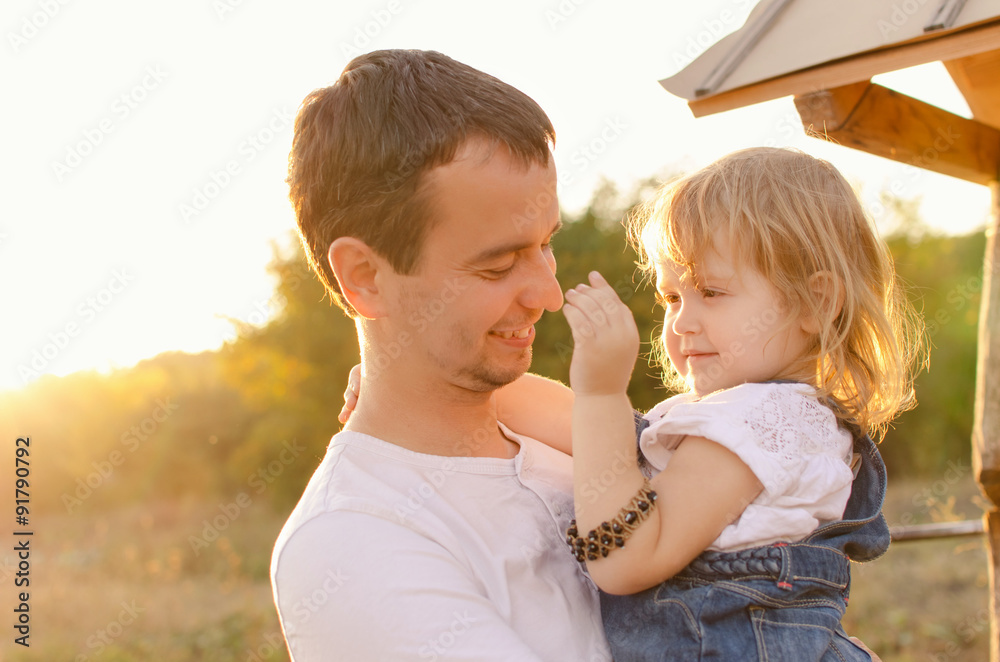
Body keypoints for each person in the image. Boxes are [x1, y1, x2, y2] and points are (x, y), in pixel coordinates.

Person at [495, 147, 924, 660]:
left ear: (816, 303)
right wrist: (447, 386)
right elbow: (592, 435)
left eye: (712, 293)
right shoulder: (742, 416)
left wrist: (602, 393)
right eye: (672, 297)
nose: (682, 323)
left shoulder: (767, 424)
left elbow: (625, 557)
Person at [270, 49, 612, 661]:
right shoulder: (351, 541)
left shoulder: (563, 430)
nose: (549, 294)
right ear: (366, 277)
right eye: (499, 264)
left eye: (545, 247)